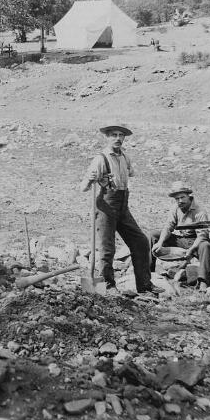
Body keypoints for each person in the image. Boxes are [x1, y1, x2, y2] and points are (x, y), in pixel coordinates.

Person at [80, 125, 162, 295]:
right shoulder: (100, 159)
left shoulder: (125, 157)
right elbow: (83, 188)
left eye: (120, 135)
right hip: (105, 207)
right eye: (113, 135)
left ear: (124, 138)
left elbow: (131, 173)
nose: (117, 138)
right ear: (107, 137)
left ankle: (145, 285)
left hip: (123, 206)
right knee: (107, 249)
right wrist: (91, 179)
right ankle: (108, 286)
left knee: (140, 241)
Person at [150, 182, 210, 290]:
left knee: (205, 245)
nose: (180, 201)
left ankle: (203, 281)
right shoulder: (176, 208)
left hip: (195, 241)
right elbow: (168, 226)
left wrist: (192, 249)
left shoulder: (200, 211)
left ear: (189, 196)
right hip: (180, 239)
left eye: (182, 197)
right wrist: (160, 242)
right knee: (153, 235)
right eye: (177, 199)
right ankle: (148, 272)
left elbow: (202, 235)